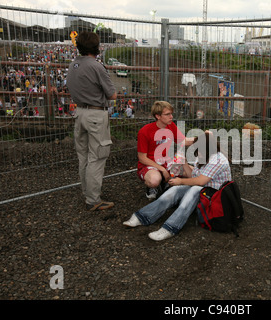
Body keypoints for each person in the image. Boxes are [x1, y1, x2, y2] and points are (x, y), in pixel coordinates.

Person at [123, 131, 232, 241]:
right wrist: (184, 163)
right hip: (203, 188)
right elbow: (192, 176)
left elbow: (200, 181)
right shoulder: (204, 155)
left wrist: (180, 181)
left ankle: (170, 227)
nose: (197, 152)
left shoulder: (217, 159)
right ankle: (142, 217)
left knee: (193, 191)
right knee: (175, 190)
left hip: (216, 194)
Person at [66, 31, 117, 211]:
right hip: (96, 114)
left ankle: (87, 193)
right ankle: (93, 199)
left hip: (79, 112)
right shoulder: (96, 66)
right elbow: (112, 94)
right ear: (97, 47)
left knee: (84, 157)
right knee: (97, 156)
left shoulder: (74, 65)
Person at [136, 101, 194, 199]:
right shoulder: (144, 131)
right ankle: (153, 186)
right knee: (154, 180)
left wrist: (202, 138)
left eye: (171, 114)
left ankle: (165, 181)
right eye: (167, 114)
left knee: (194, 173)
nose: (171, 116)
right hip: (150, 164)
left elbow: (184, 141)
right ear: (158, 116)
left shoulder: (171, 126)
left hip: (166, 162)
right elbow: (142, 158)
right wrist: (162, 169)